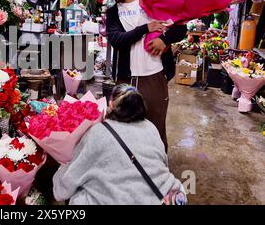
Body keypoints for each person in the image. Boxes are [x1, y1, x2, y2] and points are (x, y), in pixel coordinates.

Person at [53, 84, 186, 205]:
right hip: (167, 197)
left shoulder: (99, 132)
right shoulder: (151, 127)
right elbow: (163, 164)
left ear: (111, 104)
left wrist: (61, 171)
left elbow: (65, 186)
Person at [105, 0, 187, 151]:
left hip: (154, 77)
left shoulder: (152, 3)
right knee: (125, 132)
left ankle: (157, 174)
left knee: (156, 129)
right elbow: (117, 40)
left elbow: (181, 28)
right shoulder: (113, 13)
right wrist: (145, 28)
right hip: (125, 79)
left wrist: (164, 40)